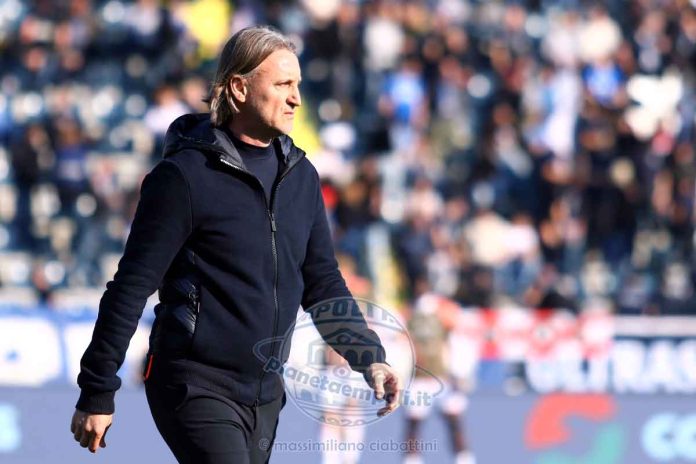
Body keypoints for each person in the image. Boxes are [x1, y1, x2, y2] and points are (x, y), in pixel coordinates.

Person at [70, 26, 402, 464]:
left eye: (298, 85)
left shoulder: (302, 177)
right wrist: (97, 388)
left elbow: (322, 283)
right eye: (283, 84)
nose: (296, 99)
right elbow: (131, 286)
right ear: (239, 88)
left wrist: (368, 357)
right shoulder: (184, 176)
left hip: (265, 394)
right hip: (193, 383)